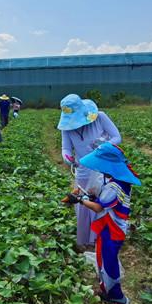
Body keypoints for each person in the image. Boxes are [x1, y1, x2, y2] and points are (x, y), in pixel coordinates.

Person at [64, 143, 140, 304]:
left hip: (114, 229)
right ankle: (107, 291)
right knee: (102, 258)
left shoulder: (116, 186)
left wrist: (79, 200)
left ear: (108, 166)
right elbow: (99, 200)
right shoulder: (113, 180)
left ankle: (119, 299)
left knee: (109, 261)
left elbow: (98, 207)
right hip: (108, 225)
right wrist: (86, 196)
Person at [58, 94, 122, 251]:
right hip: (83, 170)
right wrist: (68, 158)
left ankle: (103, 236)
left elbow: (116, 137)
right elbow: (66, 147)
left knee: (102, 201)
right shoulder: (67, 129)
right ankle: (87, 238)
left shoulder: (99, 117)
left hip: (103, 168)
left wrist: (102, 146)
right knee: (83, 202)